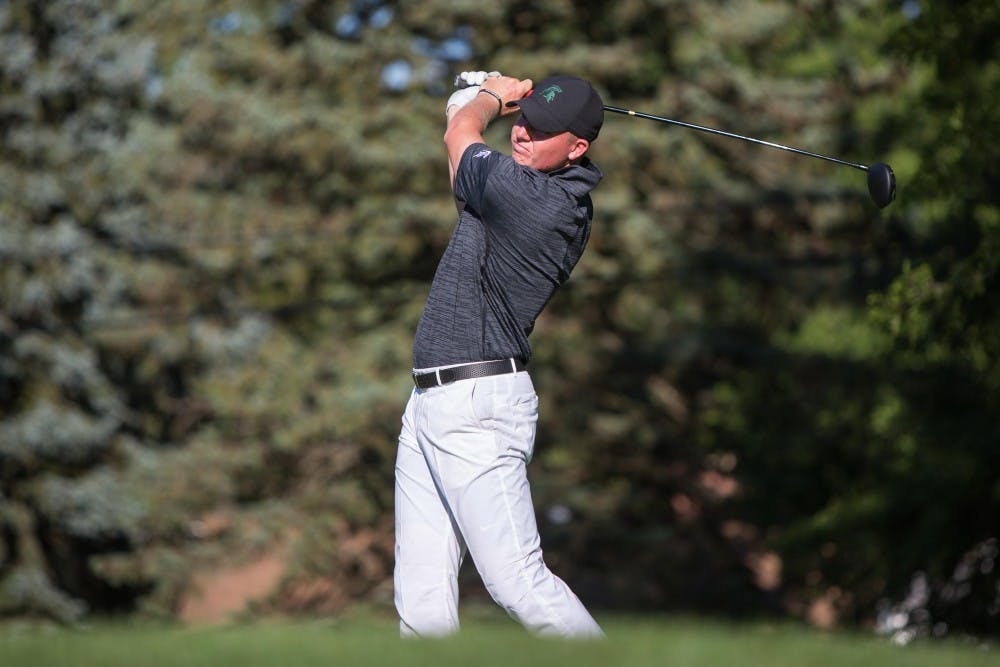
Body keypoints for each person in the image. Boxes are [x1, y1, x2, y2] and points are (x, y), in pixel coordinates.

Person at [393, 70, 605, 638]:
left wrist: (486, 98)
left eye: (542, 131)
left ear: (576, 148)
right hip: (433, 402)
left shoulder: (542, 202)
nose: (524, 133)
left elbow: (461, 137)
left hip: (477, 407)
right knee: (421, 598)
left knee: (518, 582)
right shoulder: (521, 183)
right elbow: (462, 160)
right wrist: (473, 105)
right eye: (525, 118)